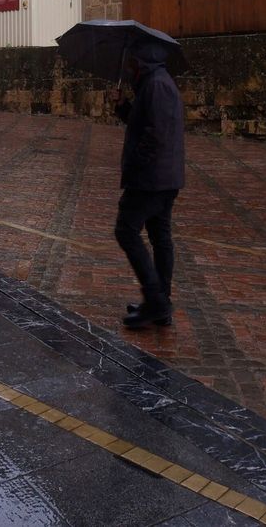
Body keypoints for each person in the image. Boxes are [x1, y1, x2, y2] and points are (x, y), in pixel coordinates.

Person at [113, 41, 186, 330]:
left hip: (151, 178)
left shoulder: (156, 85)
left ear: (140, 61)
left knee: (126, 230)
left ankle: (156, 300)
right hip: (165, 176)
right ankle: (161, 304)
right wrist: (123, 108)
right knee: (159, 235)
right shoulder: (157, 83)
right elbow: (143, 121)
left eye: (130, 62)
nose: (127, 67)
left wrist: (134, 164)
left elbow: (154, 135)